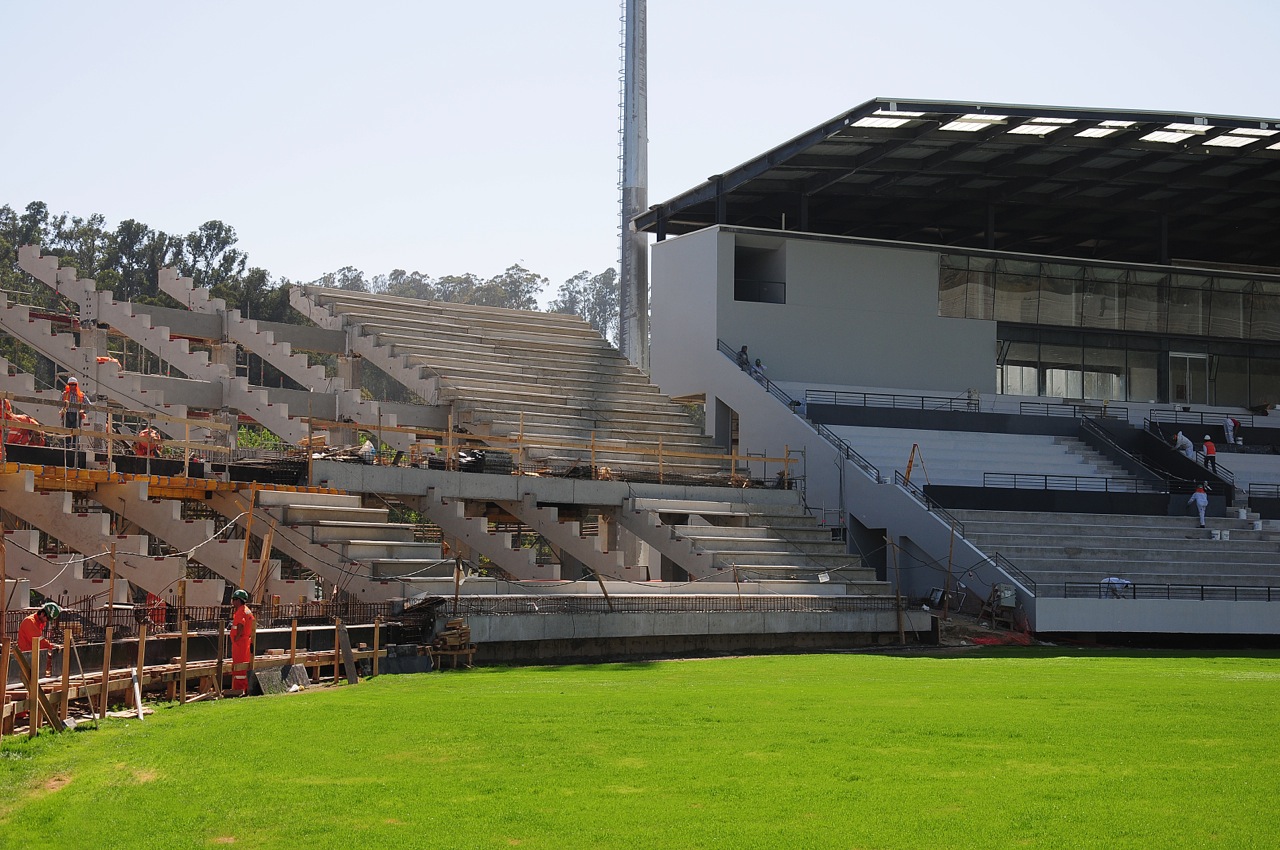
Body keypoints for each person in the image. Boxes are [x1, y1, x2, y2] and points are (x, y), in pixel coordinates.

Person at [18, 602, 62, 676]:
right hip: (26, 656)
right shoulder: (30, 622)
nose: (47, 621)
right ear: (42, 613)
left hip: (33, 654)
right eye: (47, 618)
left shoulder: (39, 622)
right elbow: (39, 641)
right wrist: (51, 646)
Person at [229, 589, 256, 696]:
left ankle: (238, 689)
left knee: (238, 665)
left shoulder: (240, 611)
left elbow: (240, 624)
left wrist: (237, 637)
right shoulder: (247, 610)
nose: (232, 602)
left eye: (233, 600)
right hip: (246, 641)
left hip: (240, 643)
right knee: (245, 665)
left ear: (237, 600)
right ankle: (245, 688)